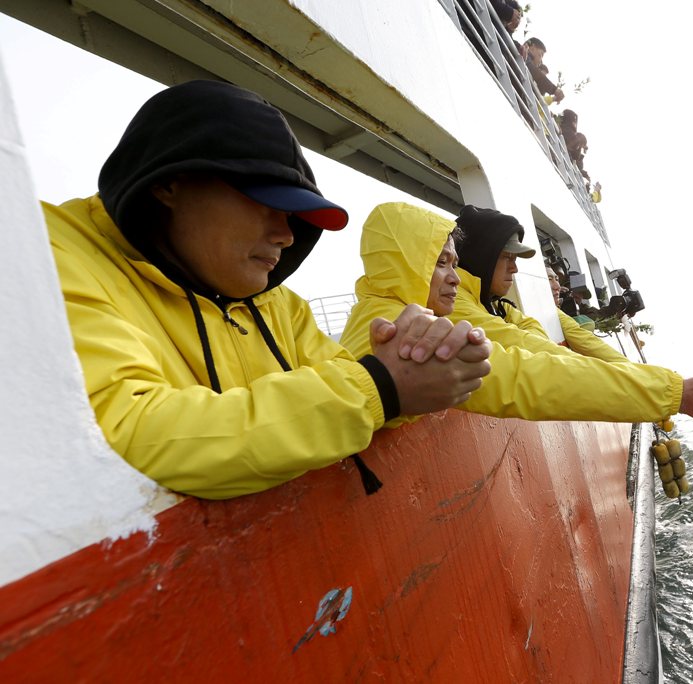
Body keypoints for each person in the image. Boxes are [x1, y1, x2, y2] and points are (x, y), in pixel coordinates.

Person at [43, 80, 491, 500]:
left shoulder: (278, 304)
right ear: (167, 182)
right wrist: (382, 384)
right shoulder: (51, 253)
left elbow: (359, 388)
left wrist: (416, 368)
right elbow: (126, 434)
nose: (287, 234)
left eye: (294, 214)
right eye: (266, 201)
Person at [341, 203, 693, 427]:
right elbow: (522, 375)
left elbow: (538, 344)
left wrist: (657, 387)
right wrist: (676, 393)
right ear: (408, 263)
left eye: (455, 264)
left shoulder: (407, 312)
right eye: (440, 263)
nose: (455, 277)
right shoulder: (401, 329)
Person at [546, 267, 629, 363]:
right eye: (573, 291)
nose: (577, 295)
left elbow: (596, 314)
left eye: (581, 292)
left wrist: (612, 309)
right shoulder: (555, 302)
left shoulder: (582, 308)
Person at [523, 37, 564, 104]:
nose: (540, 61)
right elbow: (533, 70)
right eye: (541, 54)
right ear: (532, 48)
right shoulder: (526, 59)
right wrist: (554, 89)